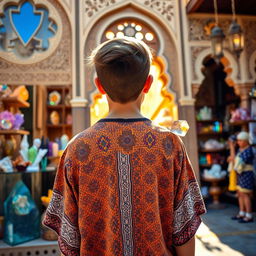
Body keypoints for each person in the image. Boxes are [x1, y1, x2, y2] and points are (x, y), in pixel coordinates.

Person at [43, 37, 206, 256]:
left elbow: (70, 239)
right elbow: (184, 228)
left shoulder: (77, 149)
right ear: (148, 83)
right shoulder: (169, 145)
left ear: (99, 86)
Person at [228, 131, 254, 223]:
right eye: (238, 141)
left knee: (245, 195)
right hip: (240, 174)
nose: (238, 142)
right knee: (240, 193)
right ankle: (242, 213)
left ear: (246, 141)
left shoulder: (248, 150)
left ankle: (249, 215)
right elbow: (234, 160)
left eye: (240, 141)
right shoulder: (240, 150)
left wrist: (231, 148)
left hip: (246, 174)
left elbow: (236, 163)